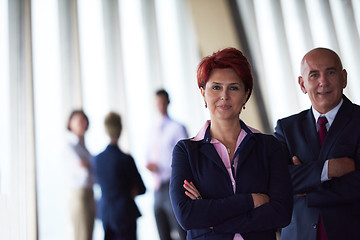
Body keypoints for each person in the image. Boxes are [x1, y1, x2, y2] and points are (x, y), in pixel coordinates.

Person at [170, 47, 293, 240]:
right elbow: (187, 215)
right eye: (216, 87)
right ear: (203, 93)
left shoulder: (270, 147)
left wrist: (210, 218)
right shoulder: (186, 151)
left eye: (234, 87)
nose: (224, 96)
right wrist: (251, 200)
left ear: (246, 94)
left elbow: (281, 212)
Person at [274, 47, 360, 240]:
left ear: (343, 78)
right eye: (314, 75)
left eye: (330, 72)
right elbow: (275, 180)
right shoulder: (286, 128)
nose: (323, 82)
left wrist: (307, 189)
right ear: (302, 84)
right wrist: (328, 169)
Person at [94, 112, 146, 240]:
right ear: (121, 129)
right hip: (125, 213)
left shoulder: (97, 160)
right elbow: (142, 188)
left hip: (106, 213)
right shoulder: (126, 159)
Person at [146, 89, 188, 240]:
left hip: (172, 184)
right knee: (162, 231)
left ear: (168, 102)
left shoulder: (177, 128)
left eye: (163, 102)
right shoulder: (152, 130)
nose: (160, 106)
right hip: (157, 187)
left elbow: (184, 158)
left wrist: (162, 167)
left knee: (180, 229)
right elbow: (148, 154)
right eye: (157, 103)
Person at [64, 110, 95, 240]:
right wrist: (89, 165)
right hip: (78, 194)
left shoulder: (83, 145)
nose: (83, 124)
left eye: (84, 121)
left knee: (88, 234)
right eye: (79, 121)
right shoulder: (69, 144)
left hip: (89, 192)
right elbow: (84, 169)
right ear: (70, 123)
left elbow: (90, 167)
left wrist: (89, 164)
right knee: (81, 235)